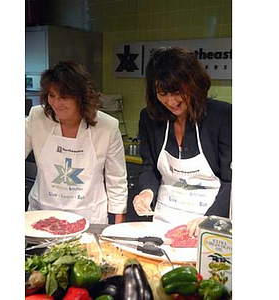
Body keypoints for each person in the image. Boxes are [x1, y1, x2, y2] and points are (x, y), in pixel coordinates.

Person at [133, 47, 232, 236]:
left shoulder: (223, 116)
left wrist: (211, 218)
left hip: (209, 222)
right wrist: (147, 192)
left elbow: (232, 181)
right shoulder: (150, 118)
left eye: (177, 92)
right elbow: (149, 167)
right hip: (164, 222)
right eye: (163, 94)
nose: (171, 102)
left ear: (193, 84)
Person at [25, 61, 127, 224]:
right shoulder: (37, 118)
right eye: (52, 96)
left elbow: (117, 180)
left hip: (89, 219)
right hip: (42, 216)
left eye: (64, 97)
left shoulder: (107, 127)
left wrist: (117, 230)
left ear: (81, 97)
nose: (56, 103)